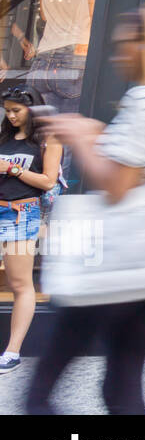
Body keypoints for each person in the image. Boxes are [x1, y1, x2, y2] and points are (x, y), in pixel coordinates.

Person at [26, 2, 145, 414]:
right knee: (121, 383)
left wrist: (77, 135)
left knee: (40, 390)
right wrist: (99, 133)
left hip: (113, 262)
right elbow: (141, 165)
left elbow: (117, 187)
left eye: (125, 45)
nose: (116, 55)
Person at [0, 85, 64, 373]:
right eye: (7, 111)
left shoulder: (48, 140)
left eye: (16, 110)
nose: (10, 116)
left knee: (19, 283)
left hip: (21, 213)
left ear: (31, 109)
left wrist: (11, 168)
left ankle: (12, 351)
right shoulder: (4, 137)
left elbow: (48, 181)